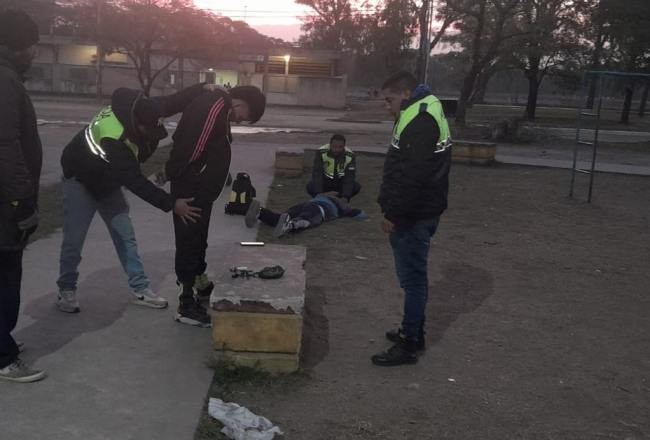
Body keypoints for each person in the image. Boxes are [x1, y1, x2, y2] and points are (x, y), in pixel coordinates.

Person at [56, 83, 207, 314]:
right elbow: (136, 182)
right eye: (149, 132)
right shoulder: (113, 138)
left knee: (125, 236)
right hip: (79, 181)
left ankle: (140, 288)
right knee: (74, 240)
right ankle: (66, 289)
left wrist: (203, 87)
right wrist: (171, 204)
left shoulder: (147, 108)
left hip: (107, 182)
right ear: (137, 124)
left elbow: (176, 100)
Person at [162, 86, 266, 327]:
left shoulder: (220, 108)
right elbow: (192, 147)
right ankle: (186, 304)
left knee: (198, 239)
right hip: (191, 189)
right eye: (245, 116)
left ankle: (199, 283)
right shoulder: (215, 107)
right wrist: (172, 173)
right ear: (242, 103)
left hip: (200, 189)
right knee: (189, 241)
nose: (241, 120)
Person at [371, 71, 452, 367]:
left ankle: (409, 344)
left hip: (414, 214)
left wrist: (393, 214)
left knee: (413, 280)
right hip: (421, 209)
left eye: (389, 100)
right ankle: (413, 332)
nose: (386, 106)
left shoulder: (420, 119)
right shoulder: (421, 108)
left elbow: (412, 176)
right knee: (413, 279)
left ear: (405, 93)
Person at [0, 9, 46, 383]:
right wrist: (23, 200)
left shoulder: (8, 77)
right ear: (16, 44)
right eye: (30, 44)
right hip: (5, 201)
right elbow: (6, 144)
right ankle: (3, 356)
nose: (34, 51)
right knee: (6, 276)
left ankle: (3, 342)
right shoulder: (5, 81)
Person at [245, 193, 367, 238]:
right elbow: (358, 213)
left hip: (305, 204)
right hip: (319, 210)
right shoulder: (340, 205)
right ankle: (291, 225)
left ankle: (260, 212)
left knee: (282, 217)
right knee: (306, 219)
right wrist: (364, 216)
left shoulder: (321, 196)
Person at [306, 134, 361, 201]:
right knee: (310, 186)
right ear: (330, 145)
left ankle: (339, 199)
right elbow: (317, 173)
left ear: (344, 146)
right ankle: (321, 198)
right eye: (334, 146)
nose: (337, 149)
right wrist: (318, 193)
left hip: (340, 182)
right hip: (326, 181)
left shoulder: (350, 156)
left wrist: (345, 196)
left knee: (356, 186)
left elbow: (349, 177)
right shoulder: (321, 152)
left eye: (340, 147)